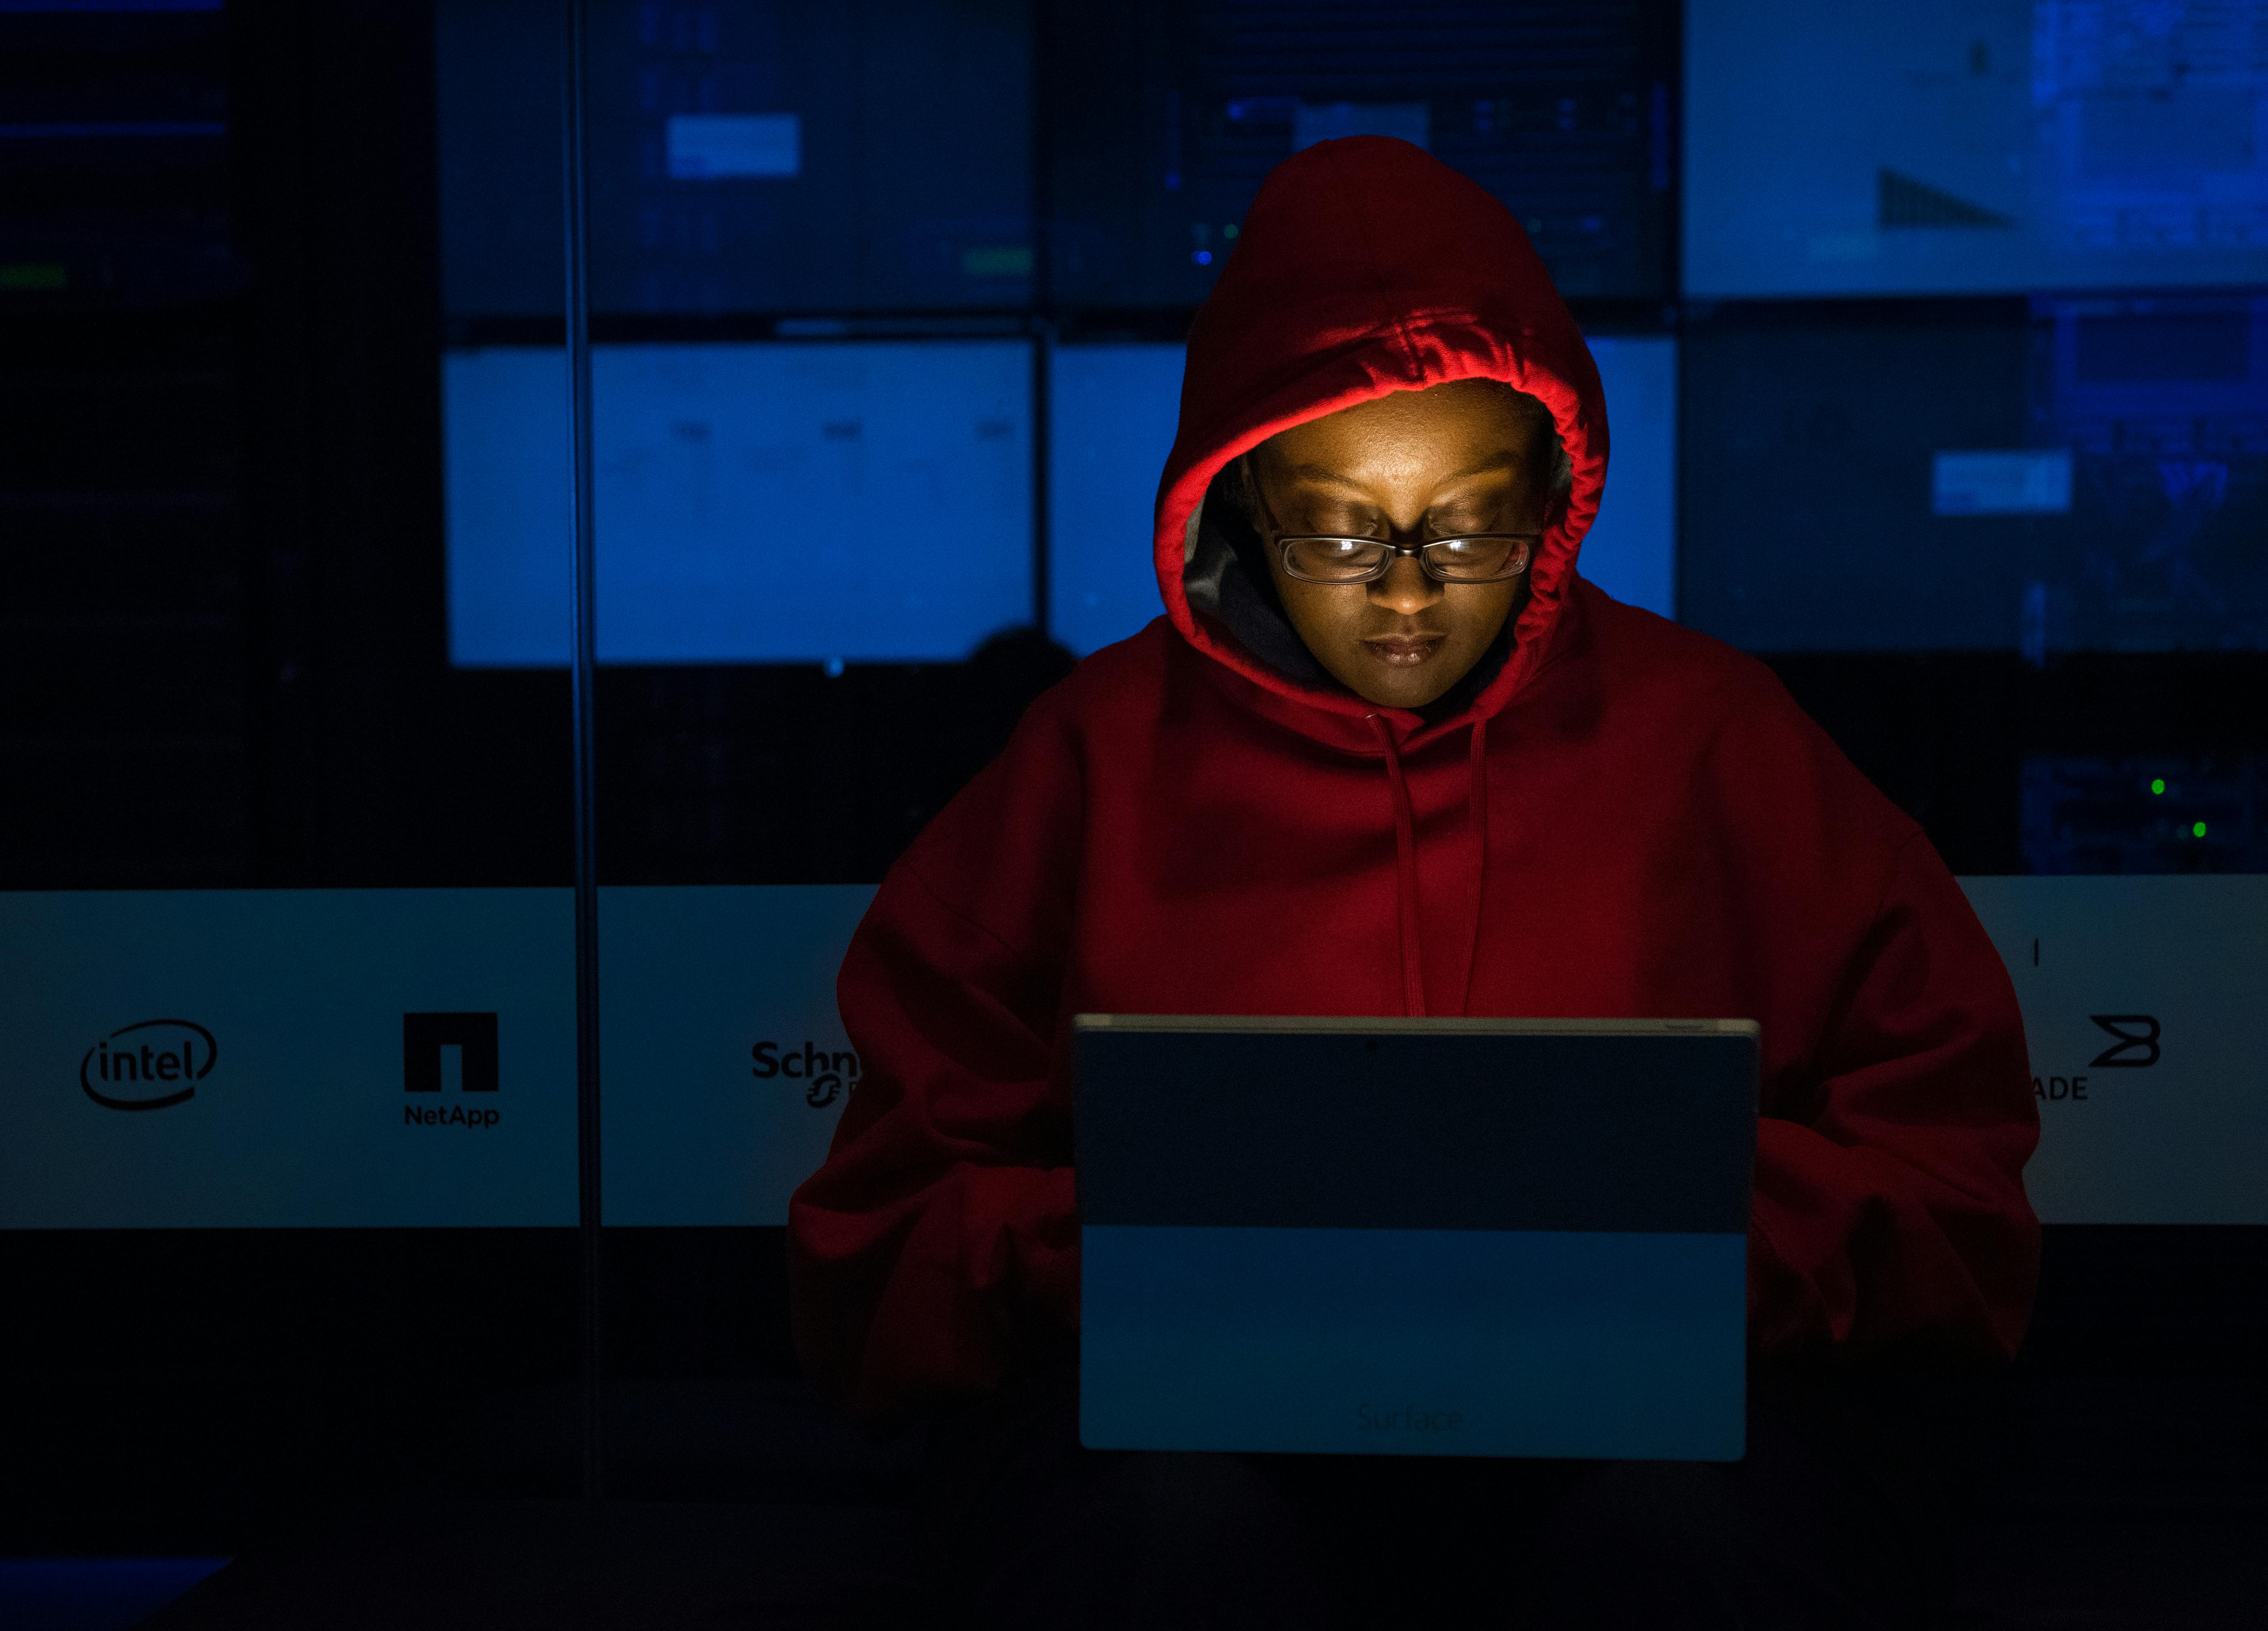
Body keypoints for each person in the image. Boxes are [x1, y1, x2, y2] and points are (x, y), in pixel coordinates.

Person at [789, 138, 2040, 1629]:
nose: (1404, 589)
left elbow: (1953, 1182)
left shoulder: (1715, 739)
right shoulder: (1090, 764)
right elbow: (884, 1238)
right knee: (1161, 1542)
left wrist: (1677, 1243)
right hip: (1193, 1437)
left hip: (1659, 1427)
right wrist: (1146, 1254)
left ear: (1556, 495)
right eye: (1337, 527)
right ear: (1241, 499)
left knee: (1679, 1548)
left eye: (1471, 524)